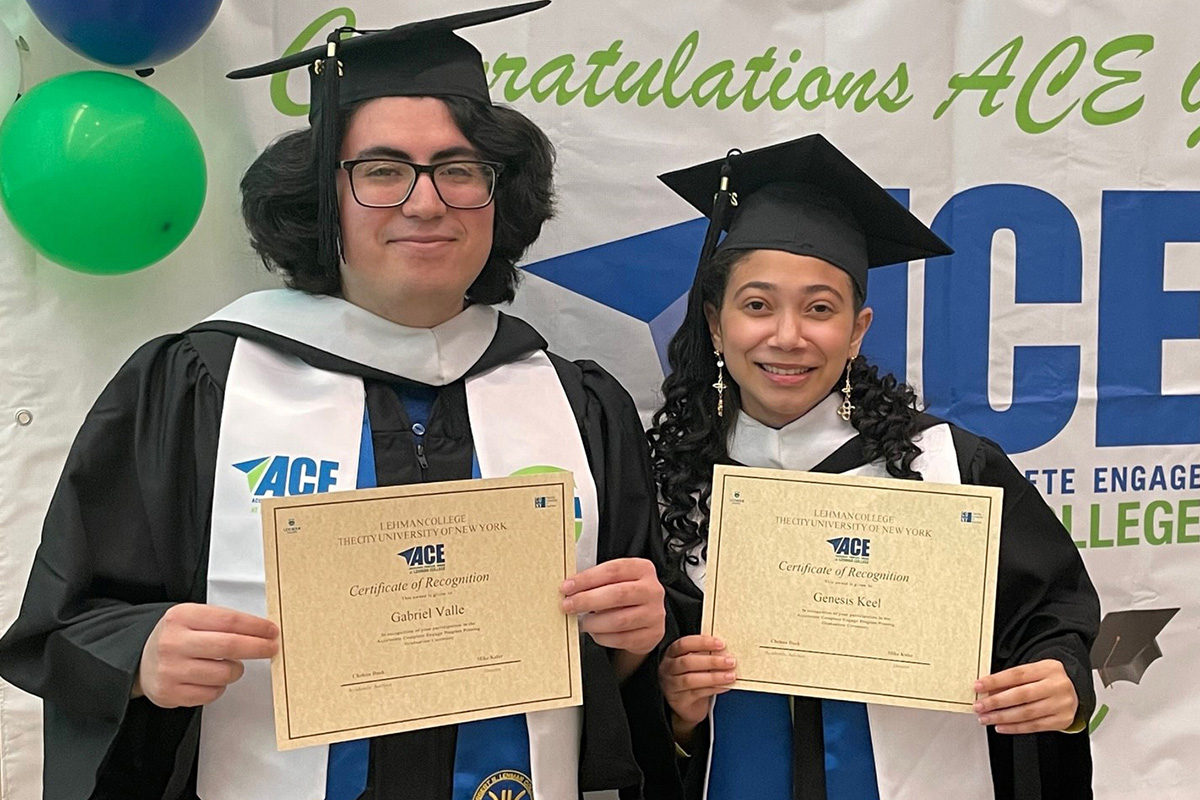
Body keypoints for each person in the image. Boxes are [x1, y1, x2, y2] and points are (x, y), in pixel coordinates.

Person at [0, 4, 670, 799]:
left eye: (459, 170)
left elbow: (627, 679)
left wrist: (633, 641)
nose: (427, 203)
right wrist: (142, 654)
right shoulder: (199, 387)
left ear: (499, 196)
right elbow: (67, 628)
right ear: (325, 198)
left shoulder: (578, 405)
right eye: (382, 170)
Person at [645, 135, 1100, 800]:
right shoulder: (665, 486)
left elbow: (1052, 614)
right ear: (715, 324)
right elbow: (622, 696)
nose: (788, 335)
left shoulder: (951, 468)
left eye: (820, 309)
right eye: (757, 304)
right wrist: (675, 713)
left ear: (857, 331)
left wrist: (1061, 677)